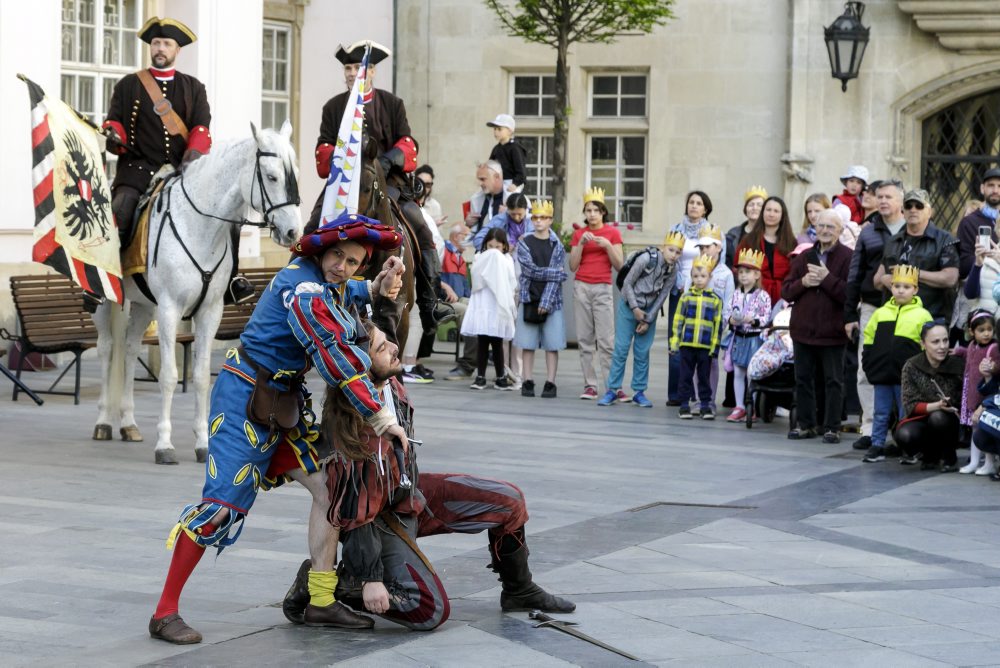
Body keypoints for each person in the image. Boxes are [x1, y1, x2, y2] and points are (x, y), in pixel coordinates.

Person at [147, 212, 408, 644]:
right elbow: (334, 356)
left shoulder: (327, 281)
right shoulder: (302, 291)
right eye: (336, 256)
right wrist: (380, 417)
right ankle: (164, 612)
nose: (341, 267)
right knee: (220, 509)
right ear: (321, 249)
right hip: (243, 402)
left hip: (281, 405)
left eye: (353, 262)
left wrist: (375, 286)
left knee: (329, 488)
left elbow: (341, 290)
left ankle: (321, 600)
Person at [281, 320, 575, 631]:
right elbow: (358, 515)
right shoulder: (354, 434)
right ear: (361, 369)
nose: (395, 349)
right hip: (379, 519)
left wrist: (387, 285)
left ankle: (519, 590)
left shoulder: (388, 381)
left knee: (510, 501)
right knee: (429, 610)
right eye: (382, 348)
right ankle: (326, 586)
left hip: (410, 494)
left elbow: (384, 316)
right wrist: (370, 579)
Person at [101, 18, 253, 304]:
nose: (160, 48)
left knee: (229, 218)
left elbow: (201, 128)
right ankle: (104, 280)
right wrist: (113, 132)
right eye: (156, 43)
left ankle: (232, 279)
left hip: (183, 171)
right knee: (119, 212)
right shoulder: (128, 85)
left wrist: (192, 159)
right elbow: (115, 121)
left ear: (176, 49)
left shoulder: (194, 87)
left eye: (166, 44)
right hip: (138, 169)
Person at [310, 41, 452, 336]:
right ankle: (295, 291)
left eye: (357, 68)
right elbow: (323, 148)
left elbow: (408, 143)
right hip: (344, 186)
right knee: (311, 228)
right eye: (347, 68)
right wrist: (340, 158)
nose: (352, 73)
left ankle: (430, 302)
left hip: (390, 186)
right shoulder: (334, 107)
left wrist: (388, 161)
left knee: (422, 230)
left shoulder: (391, 103)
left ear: (371, 71)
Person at [845, 178, 907, 452]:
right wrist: (849, 314)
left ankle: (901, 429)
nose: (883, 201)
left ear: (901, 201)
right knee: (866, 366)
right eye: (879, 196)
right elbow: (855, 274)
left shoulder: (912, 230)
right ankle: (870, 428)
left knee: (902, 368)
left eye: (888, 197)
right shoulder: (868, 232)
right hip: (872, 305)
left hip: (905, 307)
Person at [782, 209, 852, 443]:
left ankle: (832, 426)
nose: (824, 230)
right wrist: (803, 282)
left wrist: (826, 279)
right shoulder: (803, 257)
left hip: (832, 332)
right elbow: (786, 291)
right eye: (820, 226)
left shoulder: (848, 257)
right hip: (804, 329)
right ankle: (806, 424)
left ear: (840, 230)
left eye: (830, 227)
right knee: (803, 378)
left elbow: (849, 295)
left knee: (833, 381)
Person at [598, 232, 683, 408]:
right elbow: (627, 283)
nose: (674, 255)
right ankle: (612, 390)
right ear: (663, 247)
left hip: (648, 312)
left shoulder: (673, 269)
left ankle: (639, 391)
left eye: (678, 252)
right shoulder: (646, 259)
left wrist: (649, 319)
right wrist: (635, 308)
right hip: (629, 307)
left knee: (642, 352)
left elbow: (663, 295)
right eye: (671, 250)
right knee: (621, 349)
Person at [859, 265, 933, 463]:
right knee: (880, 412)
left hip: (907, 378)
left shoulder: (923, 315)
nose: (901, 290)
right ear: (891, 287)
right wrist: (869, 363)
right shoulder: (880, 313)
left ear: (915, 290)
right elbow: (868, 338)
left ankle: (908, 447)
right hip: (882, 374)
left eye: (907, 287)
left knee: (906, 413)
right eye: (897, 286)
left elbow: (928, 345)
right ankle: (877, 445)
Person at [570, 187, 624, 400]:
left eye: (595, 210)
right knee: (585, 340)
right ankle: (590, 385)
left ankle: (613, 386)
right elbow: (572, 265)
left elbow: (620, 265)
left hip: (602, 287)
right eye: (588, 210)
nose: (591, 214)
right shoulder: (578, 234)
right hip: (581, 286)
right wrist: (581, 245)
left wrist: (608, 246)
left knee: (606, 340)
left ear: (603, 212)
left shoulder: (613, 233)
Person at [875, 189, 959, 321]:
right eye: (908, 206)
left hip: (930, 318)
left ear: (929, 212)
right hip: (893, 317)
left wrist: (911, 274)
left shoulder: (944, 239)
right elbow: (877, 280)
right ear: (903, 212)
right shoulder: (893, 240)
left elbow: (950, 278)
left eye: (919, 206)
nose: (913, 210)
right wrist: (884, 280)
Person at [666, 190, 717, 405]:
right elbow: (669, 256)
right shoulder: (676, 229)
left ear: (705, 208)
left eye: (698, 203)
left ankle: (698, 394)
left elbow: (715, 259)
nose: (694, 206)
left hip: (701, 290)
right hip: (679, 290)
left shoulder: (711, 232)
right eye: (691, 202)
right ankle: (676, 394)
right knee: (676, 339)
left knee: (698, 344)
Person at [515, 200, 567, 399]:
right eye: (535, 217)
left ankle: (551, 381)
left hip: (552, 301)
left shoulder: (557, 245)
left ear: (550, 220)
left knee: (552, 345)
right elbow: (529, 271)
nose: (538, 221)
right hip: (529, 297)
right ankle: (527, 380)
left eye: (543, 217)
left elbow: (554, 279)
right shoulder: (524, 242)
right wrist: (555, 273)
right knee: (527, 343)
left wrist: (546, 303)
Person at [895, 321, 963, 471]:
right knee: (905, 434)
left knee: (938, 418)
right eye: (935, 342)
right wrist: (937, 405)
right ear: (923, 344)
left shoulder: (959, 364)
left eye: (945, 340)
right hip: (923, 418)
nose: (942, 346)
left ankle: (949, 457)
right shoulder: (911, 366)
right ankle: (929, 455)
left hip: (954, 421)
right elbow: (909, 404)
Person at [461, 228, 518, 390]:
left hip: (497, 305)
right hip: (483, 304)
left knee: (497, 342)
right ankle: (480, 377)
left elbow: (509, 280)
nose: (493, 251)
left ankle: (501, 377)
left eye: (497, 247)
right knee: (482, 342)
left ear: (504, 247)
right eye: (490, 246)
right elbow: (477, 278)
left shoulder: (507, 259)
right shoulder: (480, 257)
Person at [670, 255, 723, 419]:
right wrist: (674, 343)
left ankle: (705, 404)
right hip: (687, 344)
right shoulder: (686, 297)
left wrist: (715, 347)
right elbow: (678, 320)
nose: (699, 280)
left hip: (705, 346)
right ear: (691, 277)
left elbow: (717, 325)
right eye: (695, 276)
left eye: (703, 276)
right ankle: (684, 404)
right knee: (685, 375)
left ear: (710, 277)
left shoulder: (715, 300)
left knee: (704, 377)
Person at [725, 248, 772, 422]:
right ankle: (739, 406)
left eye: (748, 272)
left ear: (757, 275)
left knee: (751, 373)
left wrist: (752, 320)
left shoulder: (763, 296)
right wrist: (732, 319)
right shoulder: (735, 295)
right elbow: (727, 313)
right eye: (741, 272)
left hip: (754, 338)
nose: (743, 276)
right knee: (738, 371)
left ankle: (752, 404)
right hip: (739, 337)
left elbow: (765, 317)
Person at [955, 310, 1000, 474]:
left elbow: (997, 365)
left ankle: (989, 462)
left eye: (989, 329)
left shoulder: (993, 348)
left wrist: (993, 368)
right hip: (971, 391)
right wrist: (960, 352)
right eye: (981, 330)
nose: (987, 333)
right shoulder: (972, 345)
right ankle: (974, 461)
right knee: (974, 427)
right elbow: (970, 355)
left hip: (985, 394)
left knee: (985, 428)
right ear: (971, 332)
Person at [737, 196, 797, 305]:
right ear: (763, 212)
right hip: (754, 295)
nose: (771, 214)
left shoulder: (791, 243)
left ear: (782, 215)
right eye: (768, 210)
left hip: (783, 297)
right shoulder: (749, 240)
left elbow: (795, 272)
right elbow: (737, 266)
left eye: (776, 211)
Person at [725, 185, 767, 270]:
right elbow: (727, 261)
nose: (754, 208)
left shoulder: (770, 234)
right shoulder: (733, 234)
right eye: (751, 204)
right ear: (745, 209)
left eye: (759, 205)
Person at [464, 160, 507, 237]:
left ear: (497, 177)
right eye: (479, 179)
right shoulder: (477, 199)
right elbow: (474, 232)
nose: (480, 184)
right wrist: (468, 224)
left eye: (483, 179)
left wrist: (510, 216)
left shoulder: (515, 198)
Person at [486, 114, 527, 193]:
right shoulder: (496, 149)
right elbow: (490, 167)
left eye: (499, 129)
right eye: (494, 129)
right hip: (498, 183)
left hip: (512, 183)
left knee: (508, 202)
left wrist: (515, 184)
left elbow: (521, 172)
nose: (496, 132)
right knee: (477, 198)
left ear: (509, 131)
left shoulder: (515, 148)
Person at [415, 164, 445, 229]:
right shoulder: (407, 203)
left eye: (428, 184)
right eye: (420, 183)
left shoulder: (435, 205)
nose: (424, 187)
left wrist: (433, 225)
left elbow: (437, 236)